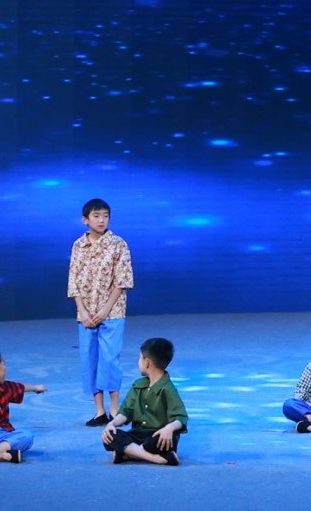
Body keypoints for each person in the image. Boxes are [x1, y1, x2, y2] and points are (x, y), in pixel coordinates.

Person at [68, 197, 134, 426]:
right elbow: (73, 280)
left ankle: (115, 408)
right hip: (86, 314)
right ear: (85, 220)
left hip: (112, 312)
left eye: (105, 216)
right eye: (96, 216)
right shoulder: (78, 245)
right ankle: (99, 411)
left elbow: (122, 280)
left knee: (110, 360)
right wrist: (82, 310)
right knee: (90, 360)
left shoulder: (118, 244)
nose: (101, 220)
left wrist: (105, 310)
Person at [102, 337, 188, 465]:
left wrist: (169, 428)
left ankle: (128, 453)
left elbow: (180, 417)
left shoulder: (168, 389)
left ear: (147, 362)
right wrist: (112, 424)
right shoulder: (138, 385)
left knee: (159, 442)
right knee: (110, 436)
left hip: (159, 436)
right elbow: (126, 412)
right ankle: (156, 458)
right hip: (138, 434)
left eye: (140, 358)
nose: (138, 362)